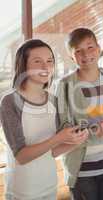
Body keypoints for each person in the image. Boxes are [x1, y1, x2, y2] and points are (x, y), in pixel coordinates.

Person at [0, 39, 88, 200]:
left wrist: (75, 141)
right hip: (22, 192)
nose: (45, 67)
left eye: (49, 61)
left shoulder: (53, 101)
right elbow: (21, 156)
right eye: (37, 61)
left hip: (49, 186)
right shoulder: (10, 102)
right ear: (23, 65)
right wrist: (59, 138)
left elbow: (52, 152)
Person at [55, 28, 103, 200]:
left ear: (99, 48)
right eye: (78, 51)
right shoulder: (64, 85)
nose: (86, 54)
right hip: (81, 170)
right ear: (72, 57)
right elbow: (62, 128)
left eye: (90, 47)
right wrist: (95, 132)